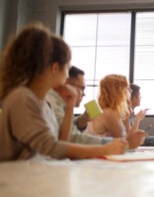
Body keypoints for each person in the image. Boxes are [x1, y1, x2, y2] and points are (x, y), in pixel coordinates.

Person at [0, 22, 128, 161]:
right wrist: (105, 149)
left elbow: (62, 141)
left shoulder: (44, 104)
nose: (68, 76)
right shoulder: (22, 98)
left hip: (36, 174)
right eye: (67, 68)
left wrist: (69, 107)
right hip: (15, 178)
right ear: (55, 68)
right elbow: (52, 148)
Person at [46, 66, 145, 149]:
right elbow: (70, 138)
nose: (130, 93)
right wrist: (123, 142)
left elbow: (66, 132)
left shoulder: (111, 112)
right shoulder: (108, 113)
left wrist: (81, 119)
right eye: (82, 88)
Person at [83, 74, 144, 138]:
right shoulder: (108, 113)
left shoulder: (113, 112)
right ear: (119, 92)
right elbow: (127, 142)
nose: (129, 93)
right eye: (127, 89)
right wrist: (137, 119)